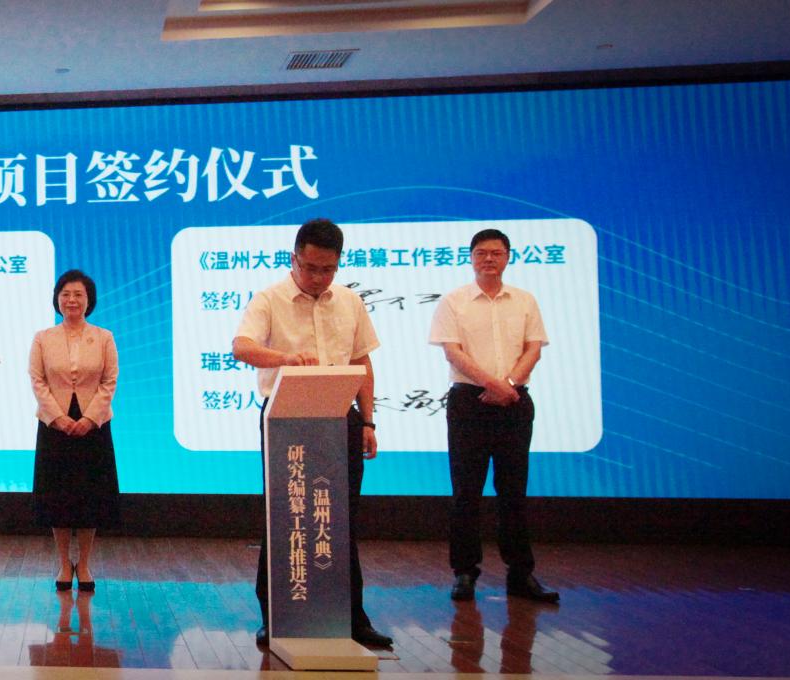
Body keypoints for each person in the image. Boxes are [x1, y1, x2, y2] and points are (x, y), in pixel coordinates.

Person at [232, 218, 393, 648]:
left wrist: (369, 421)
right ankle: (275, 615)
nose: (319, 278)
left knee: (342, 518)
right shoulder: (269, 299)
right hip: (286, 418)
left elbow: (362, 362)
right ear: (294, 259)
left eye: (328, 269)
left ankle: (353, 618)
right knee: (283, 516)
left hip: (340, 416)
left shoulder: (350, 301)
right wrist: (285, 358)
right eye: (310, 268)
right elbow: (241, 347)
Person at [429, 228, 558, 603]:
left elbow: (534, 348)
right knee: (466, 492)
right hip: (469, 402)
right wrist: (493, 384)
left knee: (513, 492)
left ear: (508, 257)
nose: (489, 258)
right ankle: (464, 573)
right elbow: (452, 352)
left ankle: (521, 574)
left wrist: (510, 384)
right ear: (471, 258)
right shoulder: (454, 302)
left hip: (515, 402)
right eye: (481, 252)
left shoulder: (524, 301)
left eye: (496, 253)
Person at [28, 270, 119, 592]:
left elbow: (109, 381)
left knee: (90, 498)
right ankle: (65, 564)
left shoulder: (104, 337)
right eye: (65, 294)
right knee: (59, 498)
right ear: (57, 299)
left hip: (94, 427)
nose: (71, 300)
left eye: (78, 294)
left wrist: (91, 418)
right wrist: (57, 417)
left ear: (89, 300)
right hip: (55, 427)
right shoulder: (43, 337)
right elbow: (37, 381)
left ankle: (86, 563)